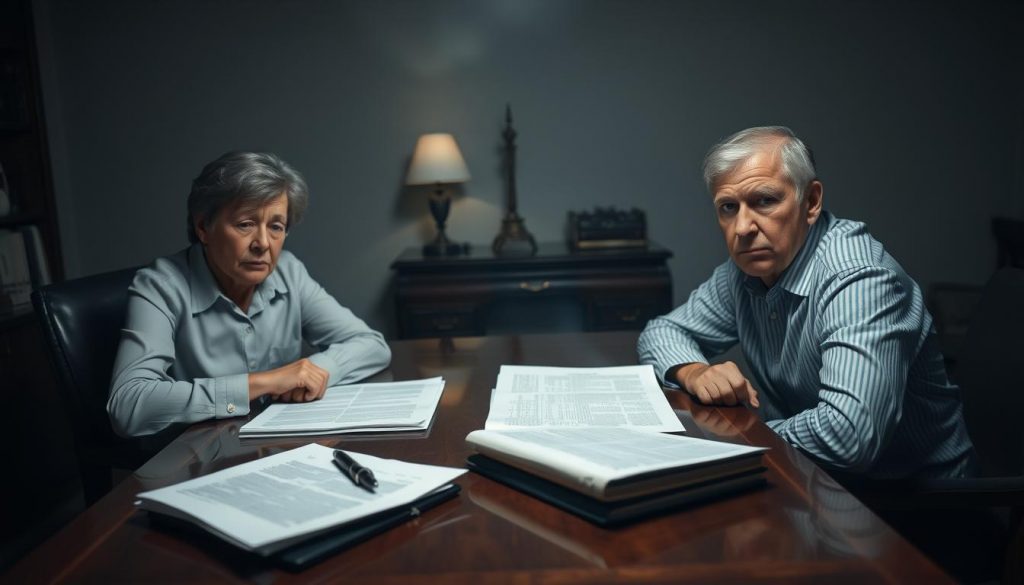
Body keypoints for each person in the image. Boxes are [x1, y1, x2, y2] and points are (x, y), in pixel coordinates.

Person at [638, 126, 974, 479]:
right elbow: (662, 331)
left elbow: (849, 437)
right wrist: (694, 371)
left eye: (764, 200)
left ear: (811, 202)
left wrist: (733, 438)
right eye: (728, 207)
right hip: (815, 481)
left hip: (917, 506)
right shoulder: (744, 272)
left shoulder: (859, 279)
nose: (742, 228)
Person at [108, 151, 391, 437]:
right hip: (198, 457)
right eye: (245, 224)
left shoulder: (288, 271)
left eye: (276, 227)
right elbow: (128, 404)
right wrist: (264, 383)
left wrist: (314, 370)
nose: (263, 244)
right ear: (203, 227)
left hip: (280, 442)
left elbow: (371, 344)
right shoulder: (160, 285)